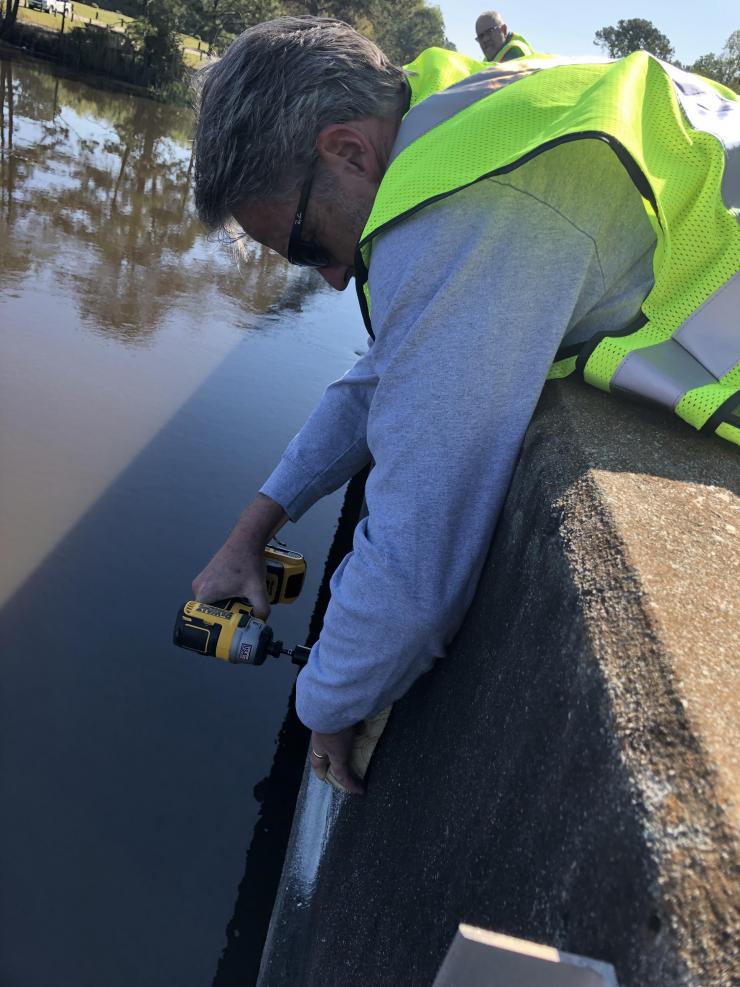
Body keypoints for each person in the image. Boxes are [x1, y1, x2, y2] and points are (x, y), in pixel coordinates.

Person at [191, 17, 740, 793]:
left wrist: (325, 703)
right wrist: (257, 525)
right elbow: (392, 370)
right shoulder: (458, 113)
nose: (332, 280)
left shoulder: (468, 215)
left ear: (346, 149)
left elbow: (416, 577)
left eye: (306, 245)